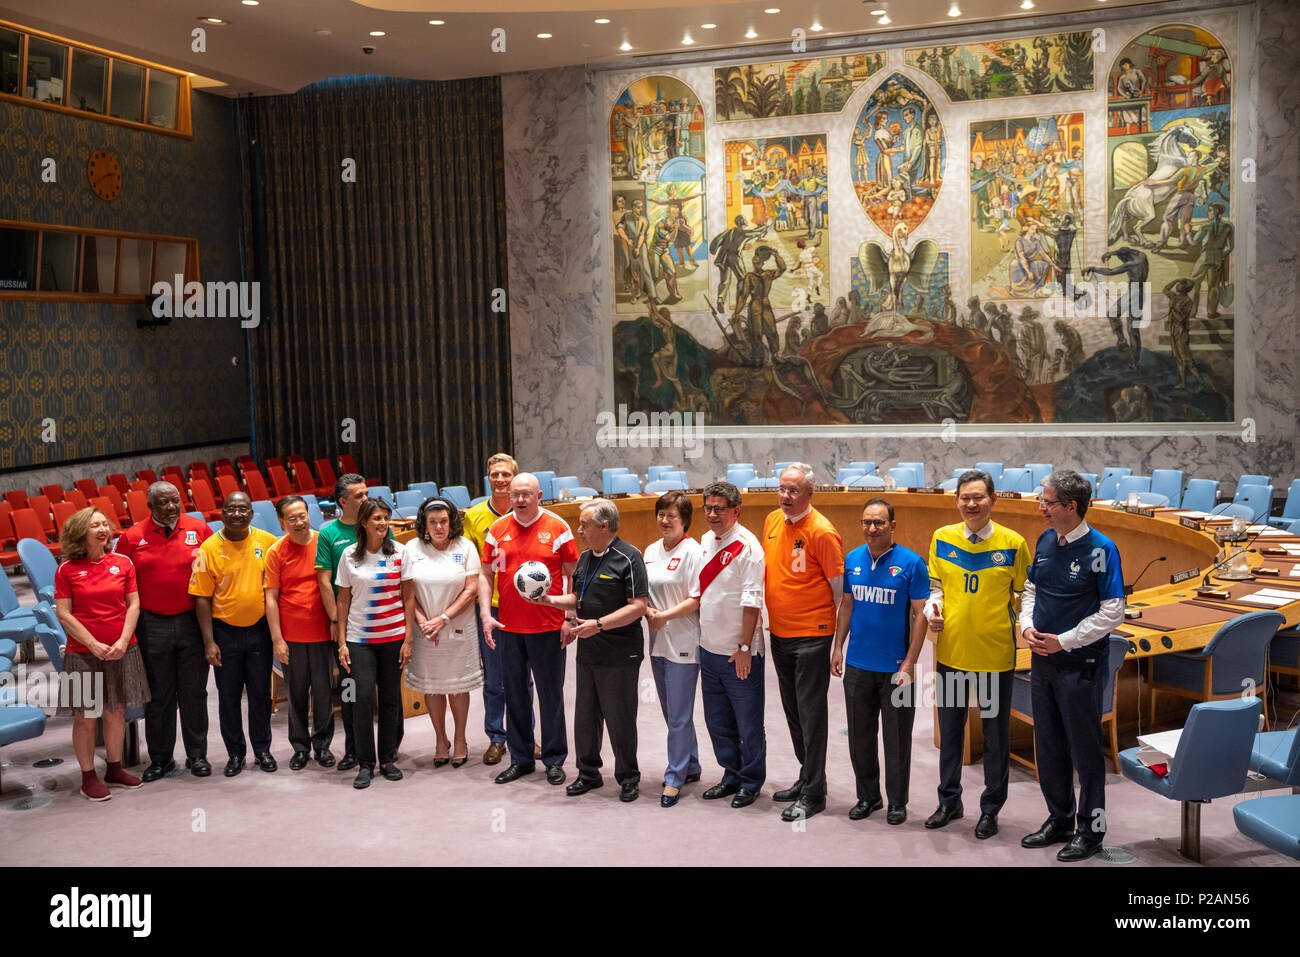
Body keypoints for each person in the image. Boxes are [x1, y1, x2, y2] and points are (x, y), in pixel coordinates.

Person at [1019, 470, 1125, 861]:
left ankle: (1091, 832)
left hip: (1080, 663)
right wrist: (1026, 625)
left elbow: (1113, 611)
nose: (1041, 508)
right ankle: (1059, 818)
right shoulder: (1046, 539)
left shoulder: (1102, 549)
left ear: (1070, 507)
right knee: (1048, 744)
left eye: (1046, 502)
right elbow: (1033, 588)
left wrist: (1063, 640)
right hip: (1042, 660)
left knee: (1084, 751)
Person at [924, 470, 1031, 839]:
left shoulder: (1014, 543)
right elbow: (935, 588)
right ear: (956, 500)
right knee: (951, 733)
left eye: (978, 498)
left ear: (993, 499)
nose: (971, 505)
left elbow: (1024, 593)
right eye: (964, 498)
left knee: (995, 737)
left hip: (995, 656)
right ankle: (949, 801)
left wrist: (1022, 625)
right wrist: (931, 613)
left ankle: (990, 809)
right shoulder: (942, 538)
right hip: (951, 653)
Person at [534, 499, 648, 801]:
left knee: (620, 717)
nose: (579, 530)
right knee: (585, 716)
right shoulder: (585, 557)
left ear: (604, 526)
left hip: (620, 653)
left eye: (584, 525)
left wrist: (598, 625)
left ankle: (628, 777)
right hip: (589, 650)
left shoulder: (629, 557)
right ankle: (588, 774)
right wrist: (551, 602)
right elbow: (577, 597)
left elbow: (638, 607)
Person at [832, 498, 928, 824]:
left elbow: (920, 615)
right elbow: (846, 605)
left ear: (892, 526)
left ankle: (897, 802)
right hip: (858, 665)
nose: (872, 528)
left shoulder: (912, 564)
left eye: (879, 523)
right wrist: (837, 648)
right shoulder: (852, 559)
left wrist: (910, 662)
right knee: (860, 737)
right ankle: (868, 797)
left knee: (896, 739)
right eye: (867, 522)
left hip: (896, 668)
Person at [479, 473, 579, 786]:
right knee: (515, 696)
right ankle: (520, 759)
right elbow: (485, 573)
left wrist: (569, 617)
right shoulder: (497, 530)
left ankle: (553, 759)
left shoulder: (558, 528)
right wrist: (485, 613)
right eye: (515, 494)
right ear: (509, 496)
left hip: (549, 628)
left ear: (539, 495)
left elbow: (574, 575)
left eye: (527, 494)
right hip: (509, 627)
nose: (520, 500)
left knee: (551, 696)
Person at [113, 481, 212, 781]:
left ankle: (197, 756)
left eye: (175, 500)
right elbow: (122, 586)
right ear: (150, 506)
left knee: (194, 693)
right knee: (159, 695)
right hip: (151, 623)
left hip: (193, 622)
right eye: (163, 503)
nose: (171, 507)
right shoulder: (131, 538)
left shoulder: (199, 529)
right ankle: (161, 759)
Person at [763, 463, 844, 822]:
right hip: (779, 633)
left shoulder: (823, 532)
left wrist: (836, 642)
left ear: (810, 493)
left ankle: (815, 792)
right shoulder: (771, 521)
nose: (785, 496)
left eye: (793, 490)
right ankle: (806, 774)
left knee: (811, 716)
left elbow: (840, 593)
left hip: (812, 635)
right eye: (782, 489)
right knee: (793, 712)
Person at [55, 508, 149, 800]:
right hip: (82, 652)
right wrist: (94, 644)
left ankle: (114, 768)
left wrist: (123, 640)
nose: (102, 529)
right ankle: (88, 777)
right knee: (85, 716)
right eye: (94, 525)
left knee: (116, 711)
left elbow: (133, 604)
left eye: (104, 524)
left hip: (123, 647)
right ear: (80, 532)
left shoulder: (123, 562)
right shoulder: (66, 569)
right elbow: (64, 614)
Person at [189, 492, 278, 777]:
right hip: (224, 633)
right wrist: (208, 641)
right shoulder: (209, 548)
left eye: (243, 509)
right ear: (222, 513)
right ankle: (235, 753)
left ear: (251, 513)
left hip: (260, 630)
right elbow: (201, 598)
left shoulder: (267, 542)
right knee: (228, 697)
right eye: (231, 509)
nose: (237, 514)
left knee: (260, 695)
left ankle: (262, 749)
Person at [697, 481, 766, 808]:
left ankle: (750, 781)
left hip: (740, 653)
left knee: (748, 723)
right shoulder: (705, 540)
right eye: (708, 508)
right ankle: (731, 774)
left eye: (719, 509)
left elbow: (752, 603)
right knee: (718, 722)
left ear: (735, 511)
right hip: (709, 648)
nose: (712, 514)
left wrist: (743, 648)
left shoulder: (748, 547)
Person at [463, 453, 535, 766]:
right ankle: (496, 736)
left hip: (525, 608)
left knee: (524, 679)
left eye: (506, 474)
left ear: (515, 478)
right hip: (492, 608)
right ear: (488, 479)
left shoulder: (531, 513)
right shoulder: (475, 516)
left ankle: (526, 736)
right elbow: (474, 566)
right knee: (494, 679)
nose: (501, 480)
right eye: (495, 475)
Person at [401, 496, 482, 768]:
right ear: (423, 523)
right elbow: (407, 590)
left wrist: (443, 618)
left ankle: (460, 739)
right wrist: (425, 621)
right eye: (432, 522)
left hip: (458, 627)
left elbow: (471, 589)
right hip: (425, 630)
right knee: (433, 686)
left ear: (452, 522)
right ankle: (440, 739)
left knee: (458, 686)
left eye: (443, 521)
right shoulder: (411, 548)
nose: (438, 527)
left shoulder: (465, 546)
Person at [334, 498, 408, 789]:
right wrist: (341, 642)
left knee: (391, 700)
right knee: (361, 699)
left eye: (385, 518)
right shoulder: (349, 555)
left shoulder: (400, 552)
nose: (382, 523)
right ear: (364, 522)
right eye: (376, 518)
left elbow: (409, 597)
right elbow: (343, 600)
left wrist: (409, 639)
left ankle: (388, 758)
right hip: (359, 640)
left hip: (393, 637)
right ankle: (366, 762)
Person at [644, 491, 705, 807]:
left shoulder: (694, 552)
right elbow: (642, 592)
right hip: (657, 643)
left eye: (672, 516)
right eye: (661, 514)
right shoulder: (651, 551)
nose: (665, 521)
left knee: (680, 714)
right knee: (671, 712)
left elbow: (696, 599)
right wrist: (647, 612)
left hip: (684, 642)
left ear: (685, 521)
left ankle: (674, 777)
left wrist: (662, 616)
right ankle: (691, 763)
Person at [265, 495, 335, 770]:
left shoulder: (323, 541)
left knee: (323, 693)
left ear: (309, 514)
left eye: (302, 515)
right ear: (282, 522)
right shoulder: (276, 551)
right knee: (296, 693)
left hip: (322, 633)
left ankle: (323, 746)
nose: (299, 521)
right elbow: (271, 597)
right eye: (292, 518)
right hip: (291, 636)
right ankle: (300, 747)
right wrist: (277, 639)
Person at [315, 472, 371, 771]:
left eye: (366, 493)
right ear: (342, 501)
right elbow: (324, 580)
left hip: (377, 619)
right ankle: (352, 749)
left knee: (380, 687)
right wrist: (336, 620)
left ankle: (385, 749)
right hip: (346, 622)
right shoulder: (329, 533)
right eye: (359, 496)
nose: (365, 499)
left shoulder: (375, 526)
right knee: (349, 689)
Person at [1188, 202, 1233, 319]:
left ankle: (1192, 312)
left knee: (1194, 283)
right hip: (1217, 259)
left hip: (1204, 257)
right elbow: (1230, 246)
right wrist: (1221, 254)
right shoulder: (1228, 227)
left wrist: (1188, 232)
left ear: (1216, 212)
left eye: (1210, 210)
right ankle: (1211, 312)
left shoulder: (1205, 227)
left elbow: (1193, 242)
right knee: (1213, 286)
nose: (1208, 213)